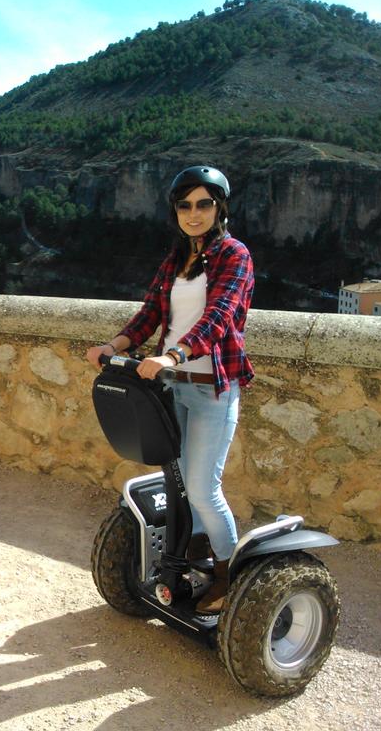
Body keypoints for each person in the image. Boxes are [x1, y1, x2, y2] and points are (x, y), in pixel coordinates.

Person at [85, 166, 254, 615]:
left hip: (212, 389)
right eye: (184, 206)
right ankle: (191, 561)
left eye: (203, 204)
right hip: (172, 388)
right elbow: (149, 316)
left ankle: (229, 574)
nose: (193, 213)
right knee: (176, 483)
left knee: (202, 487)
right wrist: (114, 346)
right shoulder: (176, 259)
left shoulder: (235, 255)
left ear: (220, 207)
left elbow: (218, 318)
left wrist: (173, 356)